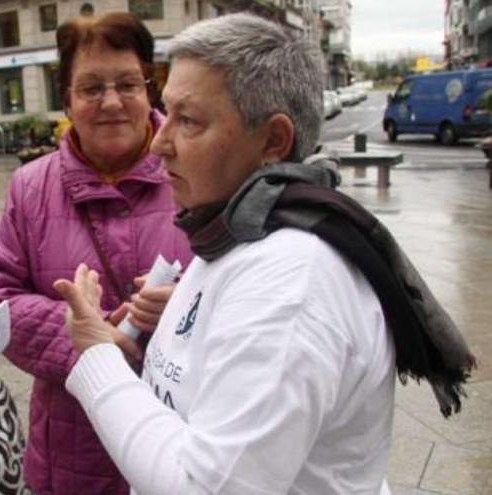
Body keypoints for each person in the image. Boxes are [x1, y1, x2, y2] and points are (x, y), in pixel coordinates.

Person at [54, 13, 475, 494]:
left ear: (273, 141)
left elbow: (204, 487)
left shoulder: (291, 281)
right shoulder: (234, 230)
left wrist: (97, 352)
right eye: (165, 112)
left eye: (187, 120)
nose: (159, 144)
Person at [0, 12, 192, 495]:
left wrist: (185, 308)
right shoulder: (30, 187)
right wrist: (84, 337)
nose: (111, 101)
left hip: (178, 441)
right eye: (91, 88)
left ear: (149, 89)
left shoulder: (195, 169)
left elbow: (242, 287)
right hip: (71, 450)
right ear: (67, 98)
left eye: (128, 84)